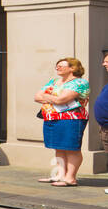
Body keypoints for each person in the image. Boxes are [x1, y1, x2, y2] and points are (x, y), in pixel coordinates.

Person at [35, 57, 90, 187]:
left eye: (61, 65)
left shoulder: (79, 83)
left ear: (73, 68)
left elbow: (61, 100)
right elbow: (37, 96)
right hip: (52, 118)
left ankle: (70, 178)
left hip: (71, 119)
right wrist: (54, 98)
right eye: (57, 65)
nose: (57, 67)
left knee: (71, 148)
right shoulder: (54, 81)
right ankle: (60, 176)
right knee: (58, 148)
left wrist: (47, 97)